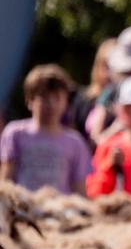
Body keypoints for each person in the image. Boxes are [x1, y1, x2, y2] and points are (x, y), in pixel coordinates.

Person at [1, 65, 92, 194]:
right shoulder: (15, 133)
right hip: (24, 209)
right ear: (29, 100)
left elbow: (79, 190)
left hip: (59, 211)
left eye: (57, 98)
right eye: (44, 97)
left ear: (66, 102)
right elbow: (6, 181)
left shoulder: (75, 143)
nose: (51, 104)